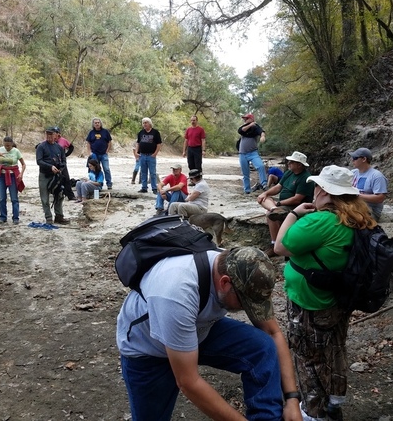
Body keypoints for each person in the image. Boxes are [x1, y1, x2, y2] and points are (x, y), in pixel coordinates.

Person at [116, 246, 303, 421]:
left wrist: (292, 399)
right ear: (224, 283)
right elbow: (188, 381)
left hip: (198, 328)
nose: (248, 310)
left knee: (262, 348)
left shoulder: (237, 267)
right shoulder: (176, 291)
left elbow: (272, 332)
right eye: (244, 304)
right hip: (148, 347)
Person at [274, 165, 376, 421]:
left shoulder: (320, 221)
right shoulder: (359, 217)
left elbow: (279, 246)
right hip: (340, 297)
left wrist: (294, 215)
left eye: (317, 187)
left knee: (307, 356)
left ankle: (313, 412)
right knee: (335, 347)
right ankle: (335, 399)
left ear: (323, 191)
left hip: (311, 301)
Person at [257, 151, 314, 257]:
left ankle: (275, 245)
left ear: (299, 164)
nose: (289, 164)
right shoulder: (289, 173)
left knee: (270, 215)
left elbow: (297, 199)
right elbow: (278, 187)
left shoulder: (306, 178)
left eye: (291, 162)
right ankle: (274, 209)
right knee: (264, 199)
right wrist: (266, 193)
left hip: (296, 207)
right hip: (281, 205)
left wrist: (279, 203)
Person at [36, 127, 69, 225]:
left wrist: (60, 169)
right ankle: (48, 217)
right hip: (44, 175)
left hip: (57, 175)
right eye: (47, 134)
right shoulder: (41, 147)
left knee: (59, 195)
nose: (49, 136)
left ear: (56, 135)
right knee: (45, 197)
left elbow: (63, 160)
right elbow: (39, 161)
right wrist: (50, 167)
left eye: (51, 134)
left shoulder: (59, 147)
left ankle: (59, 216)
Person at [0, 136, 26, 225]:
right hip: (1, 176)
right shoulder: (0, 149)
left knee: (14, 198)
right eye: (5, 145)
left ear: (12, 144)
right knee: (2, 198)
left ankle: (16, 217)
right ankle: (2, 217)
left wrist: (21, 174)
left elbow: (23, 164)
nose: (7, 147)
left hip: (13, 176)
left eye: (9, 146)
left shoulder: (16, 151)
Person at [349, 147, 388, 221]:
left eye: (355, 158)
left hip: (371, 211)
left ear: (364, 159)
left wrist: (356, 196)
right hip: (354, 206)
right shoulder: (353, 173)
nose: (352, 160)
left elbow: (380, 198)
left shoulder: (377, 176)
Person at [237, 113, 268, 194]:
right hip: (242, 153)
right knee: (245, 173)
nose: (245, 120)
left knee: (260, 166)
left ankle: (264, 183)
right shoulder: (244, 127)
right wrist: (250, 125)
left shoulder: (255, 127)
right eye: (244, 119)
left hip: (253, 153)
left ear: (251, 119)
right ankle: (247, 190)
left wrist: (262, 136)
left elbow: (261, 131)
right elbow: (240, 130)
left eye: (247, 118)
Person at [135, 117, 162, 194]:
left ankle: (154, 188)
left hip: (151, 155)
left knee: (152, 172)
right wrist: (137, 152)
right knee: (143, 172)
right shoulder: (141, 132)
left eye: (146, 123)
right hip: (142, 155)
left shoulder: (155, 132)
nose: (144, 124)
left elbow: (159, 144)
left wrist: (155, 153)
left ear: (150, 123)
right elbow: (138, 143)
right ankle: (144, 187)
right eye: (143, 123)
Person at [86, 117, 113, 190]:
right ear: (93, 124)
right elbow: (88, 142)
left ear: (100, 123)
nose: (97, 124)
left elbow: (109, 141)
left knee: (106, 169)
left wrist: (107, 150)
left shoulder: (105, 132)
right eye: (95, 123)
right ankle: (94, 183)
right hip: (94, 154)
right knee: (94, 169)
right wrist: (89, 153)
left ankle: (109, 184)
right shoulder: (91, 133)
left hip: (104, 154)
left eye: (98, 122)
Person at [54, 127, 77, 201]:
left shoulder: (63, 140)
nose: (55, 134)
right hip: (52, 163)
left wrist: (65, 155)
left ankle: (70, 195)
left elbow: (71, 147)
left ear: (59, 133)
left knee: (66, 178)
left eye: (56, 132)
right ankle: (55, 194)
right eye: (54, 132)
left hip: (61, 162)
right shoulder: (49, 140)